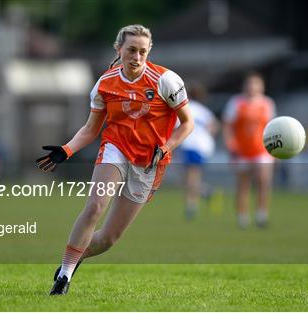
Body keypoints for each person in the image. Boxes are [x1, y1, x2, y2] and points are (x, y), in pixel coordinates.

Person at [36, 24, 193, 295]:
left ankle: (77, 257)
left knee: (108, 239)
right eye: (131, 50)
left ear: (149, 52)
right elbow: (91, 129)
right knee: (96, 205)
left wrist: (167, 146)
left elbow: (187, 124)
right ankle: (64, 275)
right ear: (119, 49)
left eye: (143, 52)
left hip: (149, 162)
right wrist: (67, 150)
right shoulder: (105, 84)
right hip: (115, 150)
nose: (137, 57)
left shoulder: (166, 81)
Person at [222, 72, 276, 229]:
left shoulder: (267, 103)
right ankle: (242, 217)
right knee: (243, 185)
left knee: (263, 182)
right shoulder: (236, 102)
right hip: (242, 151)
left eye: (256, 83)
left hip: (262, 150)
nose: (252, 87)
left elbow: (273, 127)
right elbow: (227, 125)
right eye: (250, 83)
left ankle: (261, 215)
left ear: (262, 86)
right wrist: (230, 142)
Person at [177, 83, 219, 220]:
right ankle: (199, 197)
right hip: (203, 147)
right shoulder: (205, 111)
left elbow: (177, 127)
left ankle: (193, 205)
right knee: (192, 177)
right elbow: (214, 127)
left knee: (190, 178)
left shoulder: (186, 109)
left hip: (190, 145)